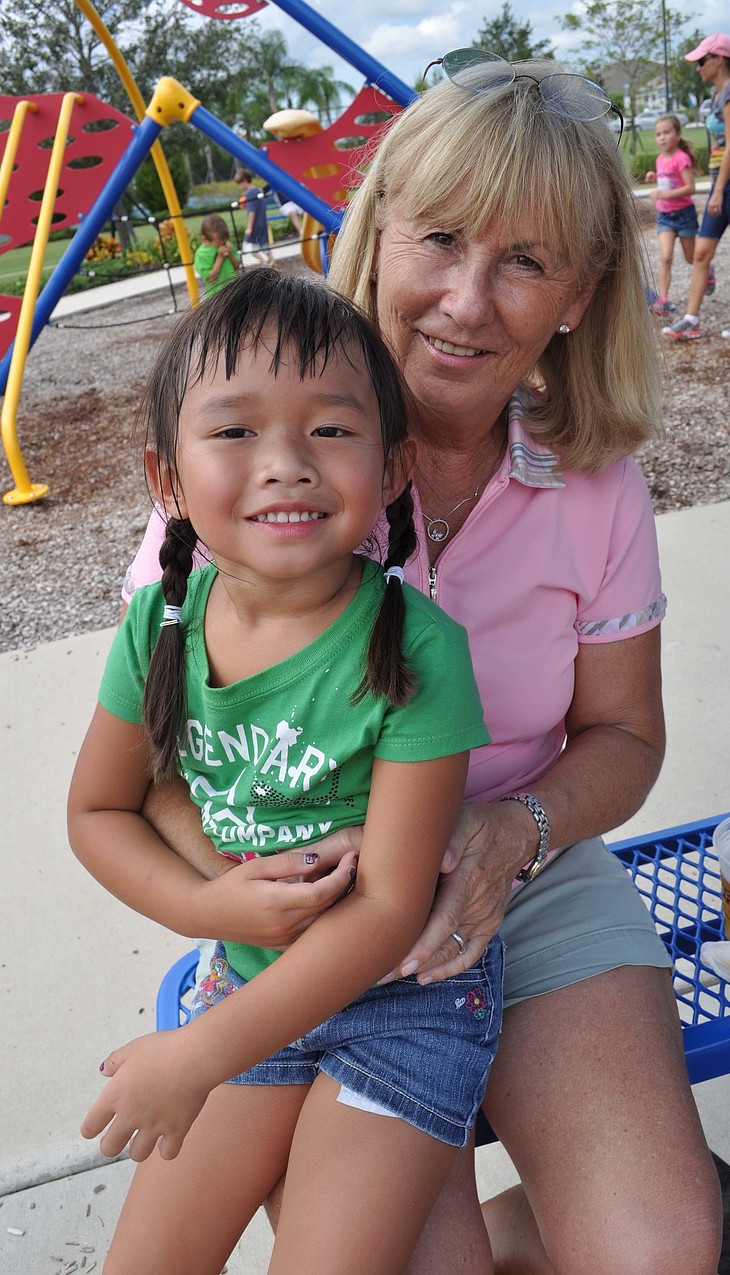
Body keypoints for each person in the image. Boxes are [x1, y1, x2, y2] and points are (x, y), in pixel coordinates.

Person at [123, 49, 723, 1274]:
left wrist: (515, 833)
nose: (464, 299)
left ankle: (529, 1222)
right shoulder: (255, 466)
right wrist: (238, 887)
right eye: (439, 239)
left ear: (579, 292)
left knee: (656, 1258)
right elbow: (148, 761)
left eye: (525, 261)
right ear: (377, 232)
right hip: (308, 905)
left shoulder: (596, 489)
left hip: (528, 878)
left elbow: (626, 737)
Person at [68, 269, 501, 1275]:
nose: (285, 465)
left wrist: (198, 1055)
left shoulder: (417, 649)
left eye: (331, 430)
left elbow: (391, 909)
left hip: (403, 1003)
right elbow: (99, 809)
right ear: (164, 479)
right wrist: (210, 907)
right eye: (233, 432)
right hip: (245, 983)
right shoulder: (157, 627)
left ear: (392, 468)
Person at [663, 34, 730, 341]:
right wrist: (717, 187)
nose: (698, 68)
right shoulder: (719, 96)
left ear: (719, 60)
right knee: (703, 252)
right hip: (724, 184)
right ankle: (691, 320)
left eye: (701, 61)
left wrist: (717, 191)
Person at [644, 114, 715, 316]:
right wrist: (655, 178)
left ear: (678, 134)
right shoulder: (660, 159)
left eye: (667, 132)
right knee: (665, 257)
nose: (662, 138)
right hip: (665, 216)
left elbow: (690, 188)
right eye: (658, 134)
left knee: (691, 257)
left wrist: (663, 193)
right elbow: (667, 180)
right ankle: (663, 300)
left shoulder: (681, 158)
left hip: (684, 215)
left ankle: (708, 270)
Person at [193, 213, 240, 296]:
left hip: (234, 291)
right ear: (204, 239)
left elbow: (237, 267)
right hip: (216, 296)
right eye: (218, 245)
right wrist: (220, 257)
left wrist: (230, 255)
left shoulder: (227, 245)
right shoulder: (201, 254)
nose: (222, 246)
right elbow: (211, 278)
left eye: (224, 243)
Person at [236, 167, 273, 265]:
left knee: (248, 248)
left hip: (255, 225)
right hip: (262, 223)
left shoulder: (249, 193)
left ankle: (265, 263)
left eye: (239, 183)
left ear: (244, 181)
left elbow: (252, 211)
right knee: (264, 246)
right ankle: (270, 262)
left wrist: (249, 228)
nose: (239, 186)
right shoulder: (257, 190)